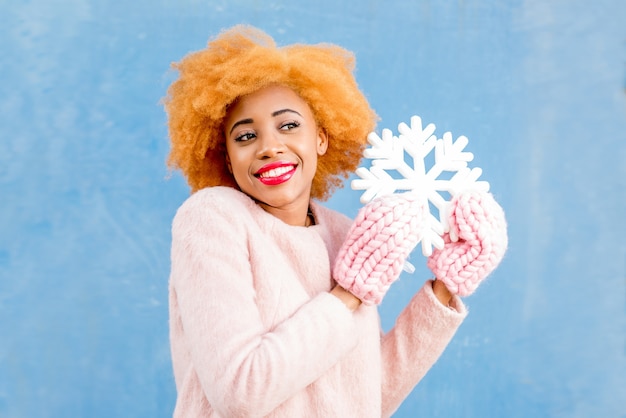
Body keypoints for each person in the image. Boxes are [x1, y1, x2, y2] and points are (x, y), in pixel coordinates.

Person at [164, 25, 507, 417]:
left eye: (288, 125)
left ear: (321, 139)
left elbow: (367, 397)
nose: (269, 146)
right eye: (245, 137)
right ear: (226, 158)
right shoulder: (212, 218)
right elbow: (242, 393)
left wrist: (445, 288)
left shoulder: (344, 234)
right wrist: (348, 294)